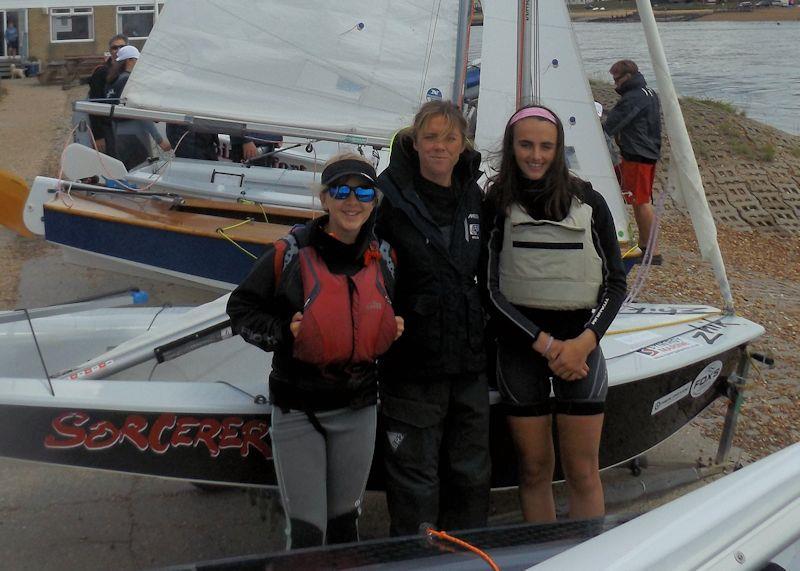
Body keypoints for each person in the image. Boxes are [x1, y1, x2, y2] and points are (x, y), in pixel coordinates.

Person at [227, 153, 404, 549]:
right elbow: (240, 310)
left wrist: (395, 327)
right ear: (324, 199)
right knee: (308, 535)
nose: (351, 200)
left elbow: (388, 313)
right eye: (341, 190)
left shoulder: (386, 257)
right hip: (299, 411)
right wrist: (282, 334)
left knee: (345, 528)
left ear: (375, 201)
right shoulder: (290, 253)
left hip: (358, 407)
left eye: (363, 192)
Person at [484, 104, 626, 522]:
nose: (535, 155)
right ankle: (542, 557)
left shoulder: (589, 201)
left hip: (580, 349)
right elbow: (490, 291)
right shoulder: (497, 203)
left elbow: (615, 284)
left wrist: (583, 343)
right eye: (525, 145)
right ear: (511, 147)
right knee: (534, 470)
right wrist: (546, 346)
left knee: (582, 471)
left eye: (546, 146)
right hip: (522, 350)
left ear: (558, 148)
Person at [375, 100, 489, 536]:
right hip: (412, 362)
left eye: (449, 138)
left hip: (467, 362)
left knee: (471, 474)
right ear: (415, 142)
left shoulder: (475, 196)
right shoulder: (388, 200)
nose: (439, 147)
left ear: (462, 145)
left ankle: (468, 560)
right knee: (414, 479)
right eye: (430, 137)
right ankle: (414, 561)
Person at [603, 59, 662, 263]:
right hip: (648, 153)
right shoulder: (649, 93)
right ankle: (645, 245)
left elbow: (611, 125)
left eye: (616, 79)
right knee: (640, 200)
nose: (615, 85)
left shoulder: (633, 98)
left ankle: (652, 251)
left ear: (627, 77)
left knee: (641, 202)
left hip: (638, 155)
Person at [106, 45, 171, 169]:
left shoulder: (113, 80)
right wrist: (160, 140)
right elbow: (141, 113)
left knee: (127, 173)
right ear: (129, 60)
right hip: (136, 136)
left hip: (119, 135)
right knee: (140, 175)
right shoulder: (130, 81)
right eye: (137, 60)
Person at [87, 34, 128, 154]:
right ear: (110, 51)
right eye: (114, 48)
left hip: (129, 126)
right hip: (107, 127)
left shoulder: (131, 71)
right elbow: (94, 104)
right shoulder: (101, 72)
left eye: (122, 47)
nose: (118, 50)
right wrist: (98, 136)